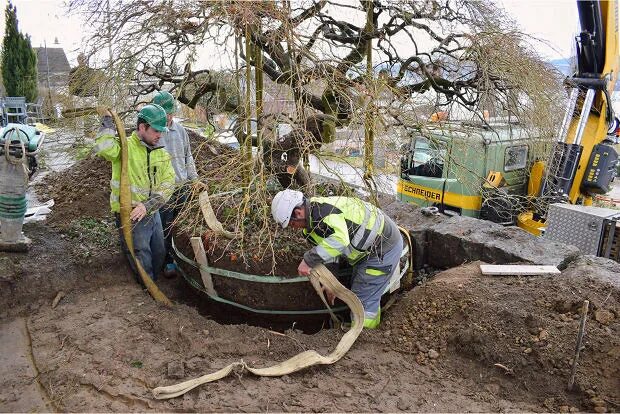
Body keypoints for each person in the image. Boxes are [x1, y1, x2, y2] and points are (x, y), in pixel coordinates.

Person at [271, 190, 403, 329]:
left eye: (292, 224)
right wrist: (331, 283)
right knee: (359, 290)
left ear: (298, 213)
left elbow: (340, 240)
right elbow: (330, 251)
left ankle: (365, 337)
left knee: (362, 301)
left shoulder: (324, 213)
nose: (293, 228)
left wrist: (308, 261)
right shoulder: (312, 226)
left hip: (383, 248)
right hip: (366, 251)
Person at [94, 104, 176, 283]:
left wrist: (148, 205)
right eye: (155, 130)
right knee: (141, 254)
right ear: (141, 127)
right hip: (130, 213)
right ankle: (147, 289)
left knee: (159, 251)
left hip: (150, 210)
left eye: (161, 131)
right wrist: (108, 120)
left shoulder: (160, 151)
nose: (159, 135)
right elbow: (104, 147)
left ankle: (153, 283)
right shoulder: (125, 147)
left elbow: (169, 182)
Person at [152, 91, 199, 277]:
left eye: (170, 113)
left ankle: (180, 258)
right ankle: (167, 261)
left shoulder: (180, 131)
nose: (168, 117)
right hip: (163, 190)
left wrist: (194, 180)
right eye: (164, 114)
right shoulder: (153, 133)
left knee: (180, 226)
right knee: (165, 227)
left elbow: (188, 157)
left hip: (182, 187)